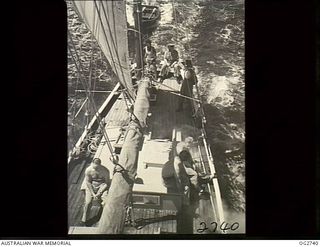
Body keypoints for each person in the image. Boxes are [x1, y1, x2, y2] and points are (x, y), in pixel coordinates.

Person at [80, 158, 110, 225]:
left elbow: (107, 183)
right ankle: (84, 219)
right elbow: (88, 182)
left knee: (106, 202)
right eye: (94, 167)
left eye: (97, 167)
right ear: (92, 164)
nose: (95, 169)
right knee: (88, 202)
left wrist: (100, 192)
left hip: (102, 185)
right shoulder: (88, 170)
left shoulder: (105, 171)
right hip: (91, 186)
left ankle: (104, 218)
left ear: (100, 165)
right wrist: (93, 193)